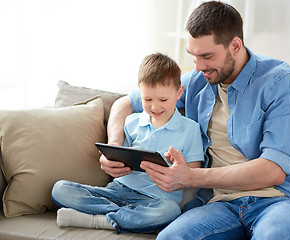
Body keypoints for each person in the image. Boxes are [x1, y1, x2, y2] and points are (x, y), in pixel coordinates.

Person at [100, 1, 290, 239]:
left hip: (280, 200)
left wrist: (189, 177)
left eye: (207, 56)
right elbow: (123, 103)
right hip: (221, 204)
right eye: (193, 55)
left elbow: (274, 170)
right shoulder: (197, 81)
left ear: (235, 46)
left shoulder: (282, 82)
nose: (198, 66)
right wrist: (114, 148)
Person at [51, 53, 204, 234]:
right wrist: (113, 161)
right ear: (140, 94)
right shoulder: (131, 122)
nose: (155, 107)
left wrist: (176, 167)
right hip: (116, 190)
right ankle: (124, 218)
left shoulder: (191, 129)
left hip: (156, 199)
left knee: (170, 211)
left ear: (179, 93)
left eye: (163, 100)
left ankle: (98, 220)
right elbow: (121, 157)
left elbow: (193, 173)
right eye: (147, 100)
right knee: (60, 189)